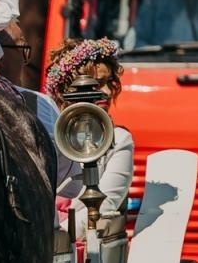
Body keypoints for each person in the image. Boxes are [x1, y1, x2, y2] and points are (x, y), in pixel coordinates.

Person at [41, 38, 134, 217]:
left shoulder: (119, 139)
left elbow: (104, 206)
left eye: (109, 83)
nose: (106, 92)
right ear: (68, 89)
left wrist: (61, 236)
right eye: (98, 84)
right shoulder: (46, 133)